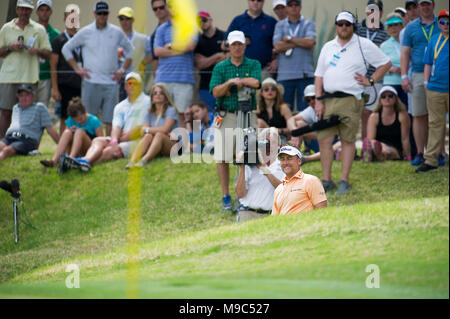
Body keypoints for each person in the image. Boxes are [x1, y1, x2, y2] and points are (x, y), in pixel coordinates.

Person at [314, 11, 391, 195]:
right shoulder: (328, 46)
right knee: (324, 139)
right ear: (336, 26)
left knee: (347, 140)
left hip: (350, 99)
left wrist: (371, 80)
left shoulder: (363, 44)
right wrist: (318, 100)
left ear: (353, 26)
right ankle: (326, 180)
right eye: (340, 24)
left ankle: (344, 180)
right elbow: (319, 75)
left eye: (347, 24)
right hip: (328, 99)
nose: (343, 27)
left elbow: (385, 63)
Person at [62, 1, 133, 137]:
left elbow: (130, 50)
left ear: (108, 14)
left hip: (111, 83)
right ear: (94, 13)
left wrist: (122, 70)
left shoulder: (116, 32)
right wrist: (77, 68)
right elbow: (66, 48)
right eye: (99, 13)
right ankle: (89, 146)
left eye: (105, 13)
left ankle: (110, 146)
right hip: (90, 82)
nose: (102, 16)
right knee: (88, 118)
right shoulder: (85, 32)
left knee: (111, 119)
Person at [210, 30, 262, 211]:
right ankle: (226, 195)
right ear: (229, 46)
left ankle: (246, 196)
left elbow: (257, 82)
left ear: (244, 45)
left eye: (240, 44)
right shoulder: (220, 67)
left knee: (250, 154)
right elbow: (215, 92)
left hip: (247, 113)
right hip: (227, 113)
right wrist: (229, 84)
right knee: (223, 157)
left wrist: (239, 81)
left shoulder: (253, 63)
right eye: (234, 44)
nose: (237, 47)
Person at [58, 72, 149, 173]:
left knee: (110, 151)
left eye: (134, 83)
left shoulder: (147, 102)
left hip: (138, 140)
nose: (131, 86)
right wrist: (114, 141)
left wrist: (126, 136)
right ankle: (82, 161)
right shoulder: (120, 106)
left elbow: (145, 127)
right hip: (120, 138)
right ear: (125, 86)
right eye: (129, 83)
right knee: (98, 140)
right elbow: (116, 127)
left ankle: (83, 162)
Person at [0, 0, 52, 138]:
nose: (24, 12)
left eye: (27, 10)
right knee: (6, 112)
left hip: (30, 77)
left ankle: (25, 142)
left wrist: (38, 51)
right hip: (8, 77)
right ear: (17, 10)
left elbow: (48, 54)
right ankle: (2, 142)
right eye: (22, 9)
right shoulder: (6, 28)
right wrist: (10, 48)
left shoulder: (39, 29)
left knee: (29, 113)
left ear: (31, 11)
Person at [401, 0, 439, 166]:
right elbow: (404, 52)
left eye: (428, 4)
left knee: (436, 116)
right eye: (422, 4)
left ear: (433, 5)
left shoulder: (443, 22)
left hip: (439, 74)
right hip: (417, 73)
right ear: (418, 6)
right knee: (418, 115)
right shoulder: (411, 27)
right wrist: (404, 75)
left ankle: (439, 152)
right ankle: (420, 152)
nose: (425, 7)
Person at [153, 2, 197, 128]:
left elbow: (190, 46)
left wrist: (170, 46)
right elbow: (157, 51)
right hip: (163, 80)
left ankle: (181, 146)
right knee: (161, 114)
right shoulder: (161, 28)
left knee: (182, 115)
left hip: (183, 79)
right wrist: (179, 50)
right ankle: (163, 145)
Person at [416, 9, 449, 173]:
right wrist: (426, 82)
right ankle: (431, 161)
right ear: (438, 23)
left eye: (448, 22)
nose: (446, 25)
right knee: (435, 124)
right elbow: (428, 62)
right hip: (435, 89)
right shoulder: (434, 40)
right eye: (443, 22)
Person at [273, 0, 316, 112]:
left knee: (307, 111)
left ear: (300, 6)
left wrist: (288, 39)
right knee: (284, 111)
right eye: (290, 5)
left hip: (305, 74)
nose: (293, 7)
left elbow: (310, 43)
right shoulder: (280, 25)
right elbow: (277, 46)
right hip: (285, 75)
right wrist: (300, 42)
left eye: (296, 4)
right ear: (286, 7)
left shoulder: (308, 23)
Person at [235, 127, 285, 222]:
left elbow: (282, 190)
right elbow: (240, 194)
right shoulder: (249, 165)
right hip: (247, 213)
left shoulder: (283, 165)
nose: (269, 145)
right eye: (266, 142)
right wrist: (242, 167)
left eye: (273, 142)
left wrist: (263, 168)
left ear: (279, 146)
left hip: (271, 215)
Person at [356, 0, 390, 140]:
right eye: (371, 9)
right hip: (356, 78)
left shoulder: (385, 33)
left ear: (381, 12)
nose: (373, 13)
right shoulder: (356, 28)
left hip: (374, 79)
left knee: (368, 114)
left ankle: (367, 145)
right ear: (366, 11)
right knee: (351, 114)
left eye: (377, 10)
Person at [0, 84, 59, 163]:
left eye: (26, 95)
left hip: (27, 140)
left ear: (33, 96)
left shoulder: (40, 107)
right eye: (21, 95)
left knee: (6, 151)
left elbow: (50, 129)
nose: (23, 98)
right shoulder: (16, 107)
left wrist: (62, 146)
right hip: (10, 137)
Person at [40, 97, 103, 168]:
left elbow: (100, 141)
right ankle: (54, 161)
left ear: (84, 111)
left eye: (80, 118)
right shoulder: (70, 120)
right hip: (75, 148)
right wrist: (71, 130)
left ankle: (70, 159)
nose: (79, 122)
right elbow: (67, 138)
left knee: (79, 131)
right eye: (76, 120)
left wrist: (83, 131)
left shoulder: (94, 120)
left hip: (89, 150)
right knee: (67, 132)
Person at [126, 83, 178, 168]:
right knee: (148, 136)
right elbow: (143, 132)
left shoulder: (171, 110)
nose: (158, 95)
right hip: (155, 144)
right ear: (152, 98)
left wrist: (148, 129)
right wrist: (148, 130)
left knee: (159, 135)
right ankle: (132, 161)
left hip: (172, 146)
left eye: (161, 93)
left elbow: (165, 130)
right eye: (155, 93)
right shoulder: (149, 113)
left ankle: (144, 160)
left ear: (166, 96)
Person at [223, 0, 277, 78]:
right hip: (240, 70)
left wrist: (276, 61)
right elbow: (224, 45)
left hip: (264, 71)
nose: (255, 2)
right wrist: (239, 42)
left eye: (259, 0)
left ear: (263, 2)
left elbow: (279, 45)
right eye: (252, 0)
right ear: (248, 1)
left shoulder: (271, 22)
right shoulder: (238, 20)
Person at [50, 3, 82, 135]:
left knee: (79, 115)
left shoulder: (82, 38)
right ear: (64, 19)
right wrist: (55, 88)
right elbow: (53, 65)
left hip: (80, 84)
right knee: (65, 117)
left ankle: (77, 143)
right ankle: (63, 146)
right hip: (65, 84)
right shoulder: (59, 40)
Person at [272, 144, 327, 215]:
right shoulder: (279, 188)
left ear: (299, 161)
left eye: (289, 158)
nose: (285, 162)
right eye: (282, 159)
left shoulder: (311, 180)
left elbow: (322, 211)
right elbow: (275, 219)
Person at [363, 86, 411, 162]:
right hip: (377, 144)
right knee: (373, 143)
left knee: (387, 150)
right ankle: (378, 154)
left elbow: (405, 139)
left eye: (390, 96)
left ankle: (377, 154)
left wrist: (408, 156)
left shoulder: (402, 116)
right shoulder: (374, 117)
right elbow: (370, 139)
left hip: (394, 148)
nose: (387, 98)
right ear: (380, 100)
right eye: (383, 96)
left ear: (396, 98)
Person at [194, 10, 227, 113]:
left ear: (211, 20)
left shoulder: (223, 36)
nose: (202, 23)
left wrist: (207, 60)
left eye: (204, 20)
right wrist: (217, 56)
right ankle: (197, 130)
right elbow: (199, 64)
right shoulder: (198, 40)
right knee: (201, 115)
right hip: (205, 85)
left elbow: (228, 58)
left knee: (223, 117)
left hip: (223, 83)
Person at [117, 6, 148, 101]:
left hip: (135, 80)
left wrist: (143, 62)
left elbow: (154, 53)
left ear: (133, 20)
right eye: (121, 19)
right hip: (118, 81)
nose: (124, 21)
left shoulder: (142, 38)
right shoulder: (114, 38)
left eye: (127, 18)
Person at [380, 12, 408, 106]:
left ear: (402, 25)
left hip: (408, 82)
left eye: (396, 25)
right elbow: (379, 66)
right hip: (390, 83)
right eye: (390, 26)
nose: (393, 28)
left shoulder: (408, 42)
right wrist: (392, 69)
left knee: (408, 113)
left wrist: (404, 69)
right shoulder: (384, 45)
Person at [35, 0, 59, 106]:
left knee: (42, 109)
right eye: (41, 10)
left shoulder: (56, 34)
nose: (44, 13)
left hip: (46, 77)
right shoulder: (29, 30)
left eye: (47, 10)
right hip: (29, 76)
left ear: (51, 12)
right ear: (37, 12)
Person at [144, 0, 170, 91]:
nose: (158, 10)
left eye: (161, 7)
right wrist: (157, 81)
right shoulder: (154, 35)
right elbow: (155, 59)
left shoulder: (180, 26)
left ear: (167, 7)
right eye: (155, 9)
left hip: (183, 76)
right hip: (164, 78)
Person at [255, 77, 292, 142]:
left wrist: (278, 130)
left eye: (273, 89)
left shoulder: (283, 107)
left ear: (277, 92)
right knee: (258, 122)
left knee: (260, 122)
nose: (270, 91)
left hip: (281, 138)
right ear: (261, 93)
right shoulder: (258, 108)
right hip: (263, 139)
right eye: (266, 89)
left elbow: (292, 128)